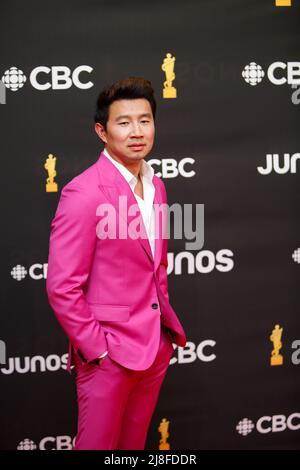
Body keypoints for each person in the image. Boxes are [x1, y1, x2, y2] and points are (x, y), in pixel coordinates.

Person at [46, 76, 186, 450]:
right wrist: (99, 350)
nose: (136, 131)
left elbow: (154, 264)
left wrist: (161, 338)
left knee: (132, 449)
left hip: (153, 348)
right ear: (102, 131)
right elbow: (62, 286)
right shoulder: (84, 192)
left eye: (145, 120)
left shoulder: (156, 184)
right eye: (123, 122)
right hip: (109, 355)